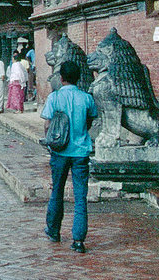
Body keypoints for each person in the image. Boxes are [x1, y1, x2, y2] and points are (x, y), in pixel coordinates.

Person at [42, 60, 98, 254]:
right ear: (78, 77)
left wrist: (52, 142)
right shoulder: (87, 98)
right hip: (81, 152)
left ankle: (53, 230)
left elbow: (48, 125)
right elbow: (90, 120)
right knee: (80, 196)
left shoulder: (54, 98)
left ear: (62, 77)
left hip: (59, 152)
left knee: (57, 190)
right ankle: (78, 240)